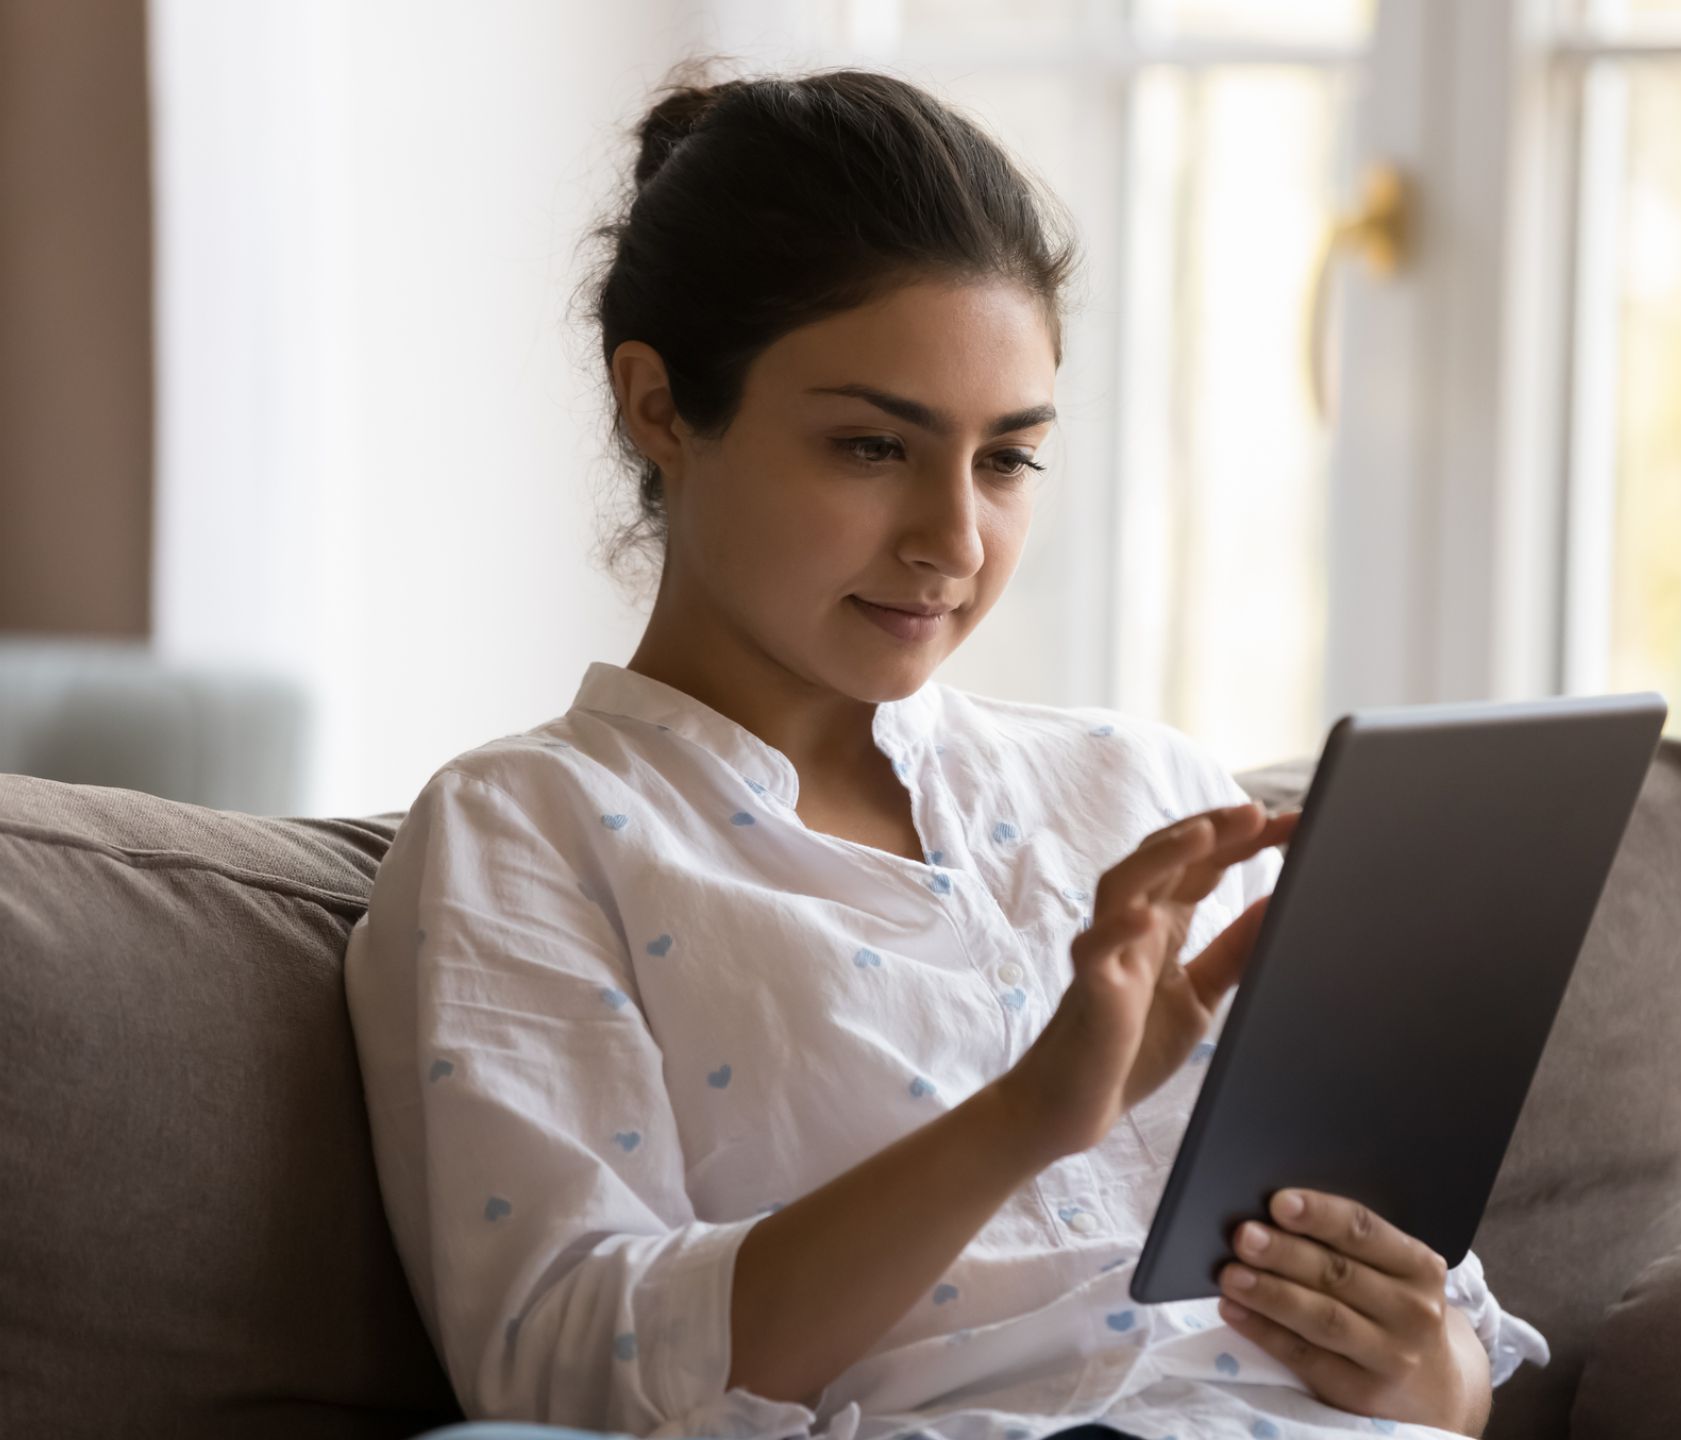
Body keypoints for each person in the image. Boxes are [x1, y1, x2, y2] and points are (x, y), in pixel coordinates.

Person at [343, 57, 1550, 1440]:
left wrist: (1436, 1373)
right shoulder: (528, 837)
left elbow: (1441, 1346)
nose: (955, 542)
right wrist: (1035, 1110)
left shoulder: (1142, 788)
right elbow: (566, 1378)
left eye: (1006, 460)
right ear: (661, 406)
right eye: (871, 446)